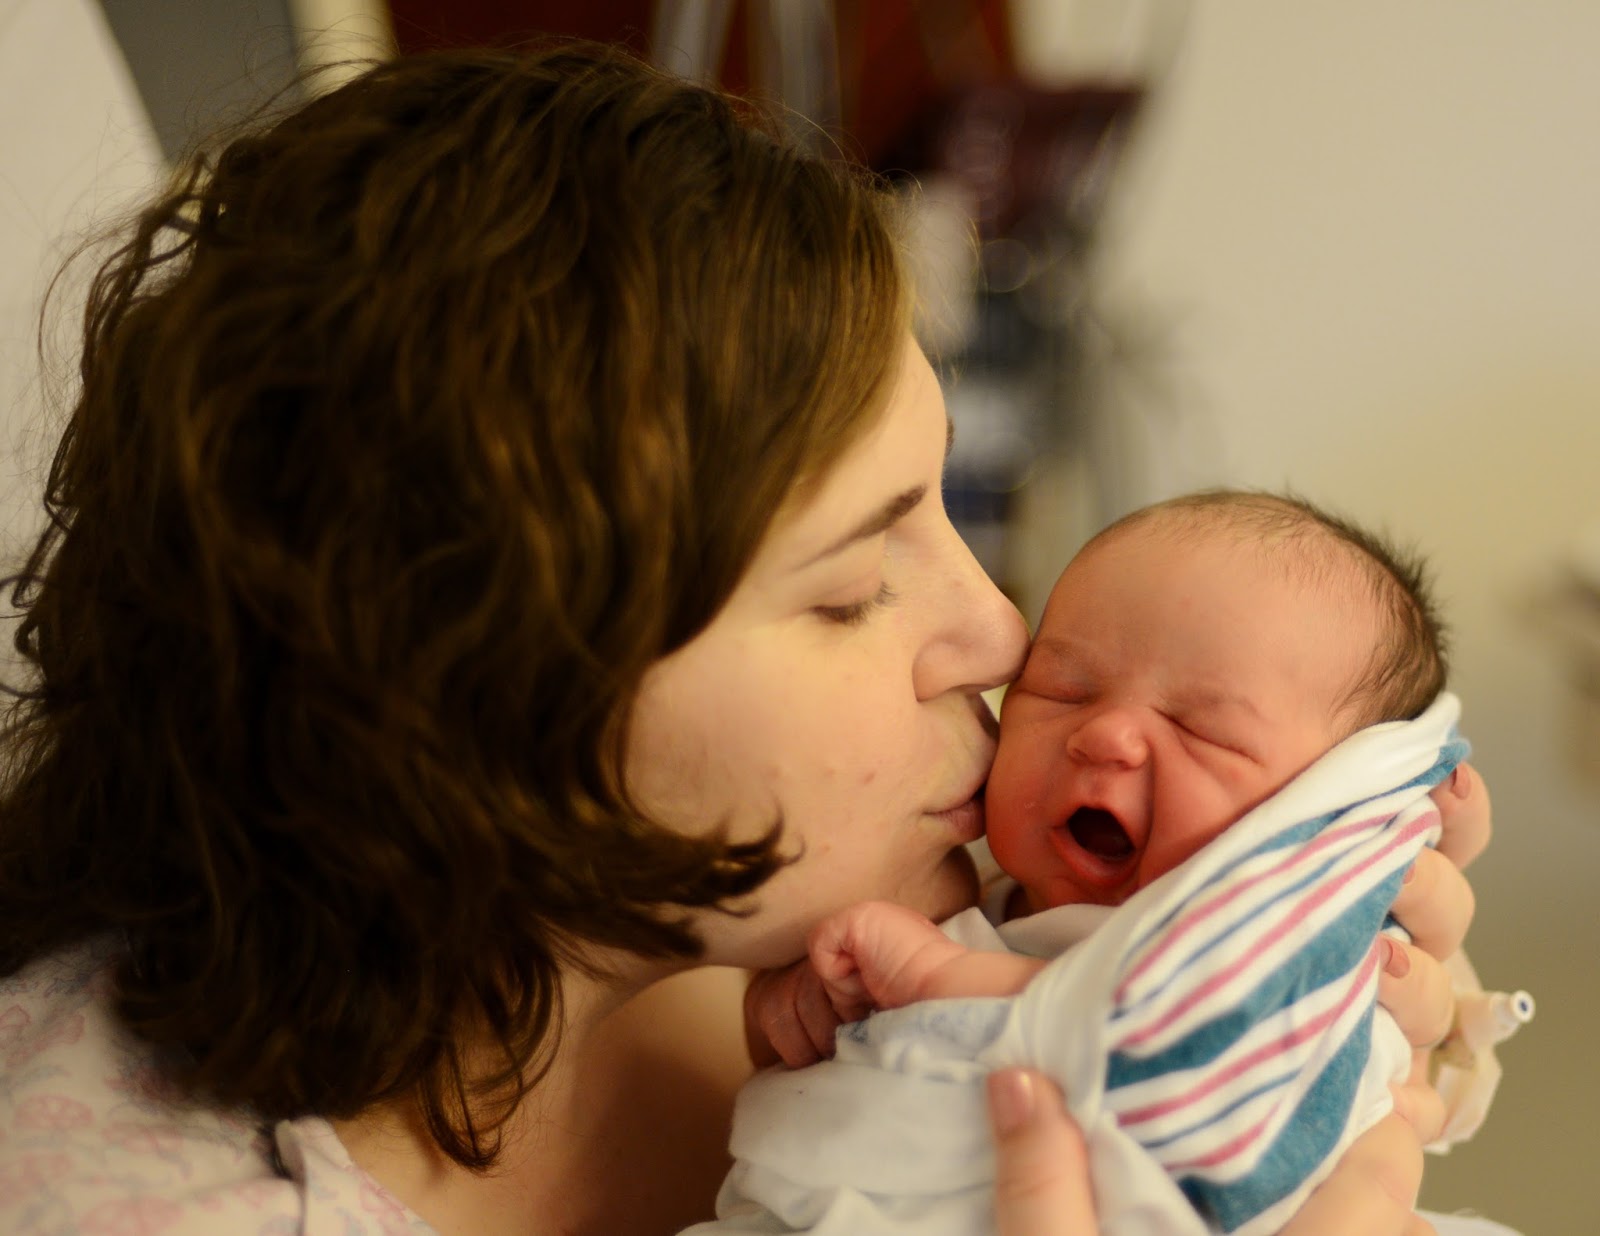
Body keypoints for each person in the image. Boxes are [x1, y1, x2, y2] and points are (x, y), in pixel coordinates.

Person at [0, 43, 1489, 1236]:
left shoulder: (767, 936)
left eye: (942, 507)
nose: (997, 631)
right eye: (851, 590)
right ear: (486, 693)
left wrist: (1329, 1020)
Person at [735, 492, 1518, 1234]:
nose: (1106, 735)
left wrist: (933, 975)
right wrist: (820, 1021)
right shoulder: (957, 891)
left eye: (1203, 730)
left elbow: (1173, 1037)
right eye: (1062, 690)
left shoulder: (1267, 953)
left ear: (1320, 810)